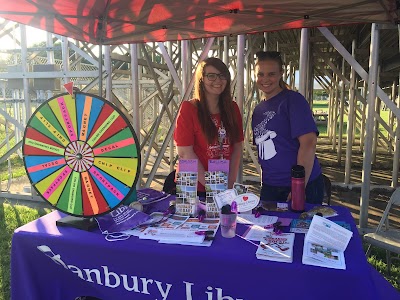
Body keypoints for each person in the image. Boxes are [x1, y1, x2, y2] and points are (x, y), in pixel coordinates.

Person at [251, 51, 324, 204]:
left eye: (271, 74)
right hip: (270, 186)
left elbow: (308, 143)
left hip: (299, 186)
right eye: (260, 74)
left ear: (281, 74)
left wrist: (299, 186)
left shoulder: (293, 101)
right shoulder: (258, 110)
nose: (265, 79)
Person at [174, 57, 244, 194]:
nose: (218, 81)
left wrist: (229, 185)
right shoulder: (189, 109)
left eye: (222, 75)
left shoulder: (232, 108)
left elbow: (237, 147)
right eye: (211, 76)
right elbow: (184, 152)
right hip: (193, 187)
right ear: (201, 79)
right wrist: (211, 186)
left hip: (222, 184)